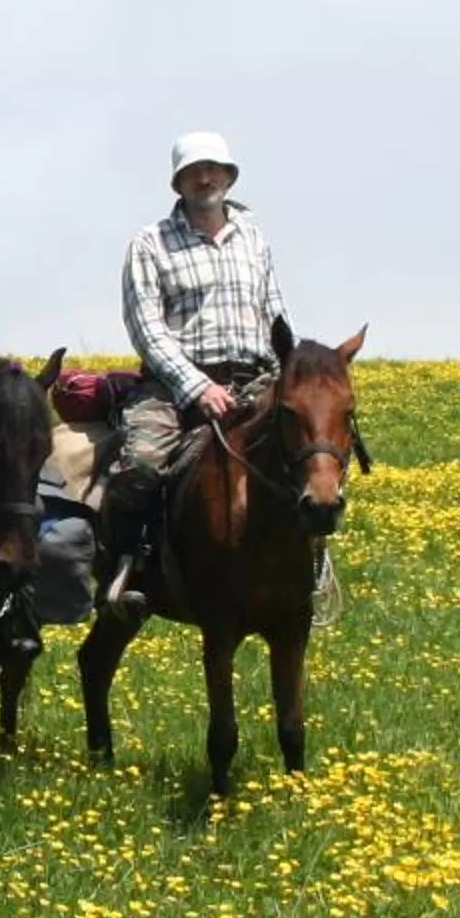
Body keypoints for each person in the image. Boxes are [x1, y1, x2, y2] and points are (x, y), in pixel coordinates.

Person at [98, 130, 293, 627]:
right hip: (175, 386)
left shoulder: (254, 236)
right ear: (178, 182)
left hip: (254, 378)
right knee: (140, 464)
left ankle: (307, 568)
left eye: (213, 169)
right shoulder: (150, 243)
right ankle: (125, 569)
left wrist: (290, 373)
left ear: (229, 177)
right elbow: (146, 327)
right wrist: (197, 387)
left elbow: (274, 312)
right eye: (192, 172)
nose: (204, 178)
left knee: (309, 452)